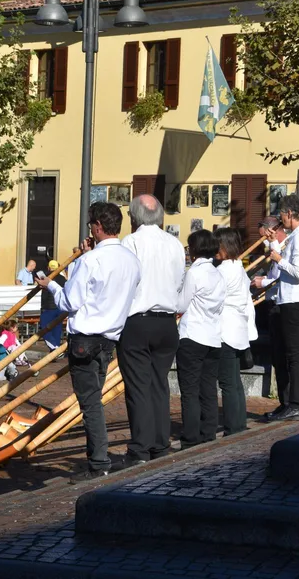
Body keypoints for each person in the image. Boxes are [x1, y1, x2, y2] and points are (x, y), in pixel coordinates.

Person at [36, 201, 141, 483]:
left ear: (96, 227)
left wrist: (52, 285)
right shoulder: (131, 260)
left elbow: (71, 301)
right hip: (110, 339)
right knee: (95, 401)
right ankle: (98, 458)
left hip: (85, 338)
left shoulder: (90, 261)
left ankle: (98, 462)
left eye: (90, 226)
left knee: (90, 404)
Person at [116, 194, 186, 468]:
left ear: (133, 218)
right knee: (159, 384)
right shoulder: (174, 243)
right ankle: (159, 443)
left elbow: (125, 281)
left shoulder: (130, 242)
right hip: (167, 321)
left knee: (138, 386)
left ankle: (140, 446)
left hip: (138, 319)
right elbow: (180, 279)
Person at [266, 194, 299, 422]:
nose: (281, 220)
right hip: (294, 300)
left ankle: (297, 403)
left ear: (289, 213)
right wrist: (273, 245)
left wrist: (278, 260)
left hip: (295, 300)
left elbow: (297, 271)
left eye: (282, 215)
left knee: (296, 354)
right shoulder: (298, 235)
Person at [174, 230, 226, 448]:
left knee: (190, 390)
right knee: (208, 388)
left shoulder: (194, 273)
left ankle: (191, 435)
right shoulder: (217, 274)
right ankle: (208, 430)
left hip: (193, 335)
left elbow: (181, 305)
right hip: (212, 337)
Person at [213, 228, 252, 436]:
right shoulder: (238, 267)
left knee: (228, 382)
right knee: (235, 381)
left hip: (226, 329)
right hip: (238, 329)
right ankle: (239, 423)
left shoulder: (223, 270)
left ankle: (232, 427)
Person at [253, 217, 289, 418]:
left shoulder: (285, 247)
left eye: (265, 238)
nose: (264, 243)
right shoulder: (275, 249)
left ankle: (288, 401)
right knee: (277, 357)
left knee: (283, 355)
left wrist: (263, 282)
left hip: (281, 304)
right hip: (273, 303)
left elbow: (283, 277)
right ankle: (284, 402)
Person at [39, 261, 66, 351]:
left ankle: (54, 347)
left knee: (44, 329)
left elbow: (37, 274)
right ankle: (56, 350)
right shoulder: (63, 279)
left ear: (48, 267)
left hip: (48, 307)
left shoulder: (45, 277)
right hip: (59, 307)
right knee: (57, 330)